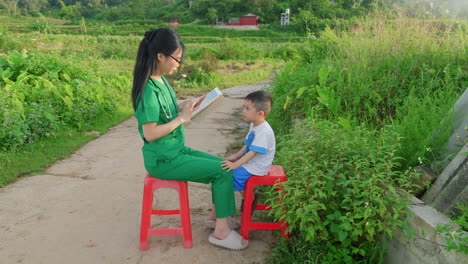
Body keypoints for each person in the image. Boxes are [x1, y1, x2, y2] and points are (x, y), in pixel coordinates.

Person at [131, 28, 247, 250]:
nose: (178, 64)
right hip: (164, 160)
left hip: (176, 151)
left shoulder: (162, 81)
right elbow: (150, 133)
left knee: (222, 164)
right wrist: (182, 119)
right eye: (177, 58)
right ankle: (221, 233)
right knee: (222, 171)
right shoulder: (147, 90)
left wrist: (186, 106)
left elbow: (167, 113)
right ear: (160, 56)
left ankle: (217, 218)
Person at [221, 91, 275, 207]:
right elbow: (247, 145)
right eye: (244, 107)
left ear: (260, 114)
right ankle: (248, 196)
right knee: (227, 170)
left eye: (247, 108)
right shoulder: (254, 124)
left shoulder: (264, 131)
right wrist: (235, 157)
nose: (243, 111)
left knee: (232, 176)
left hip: (258, 166)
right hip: (250, 162)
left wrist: (235, 165)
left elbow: (252, 153)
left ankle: (250, 199)